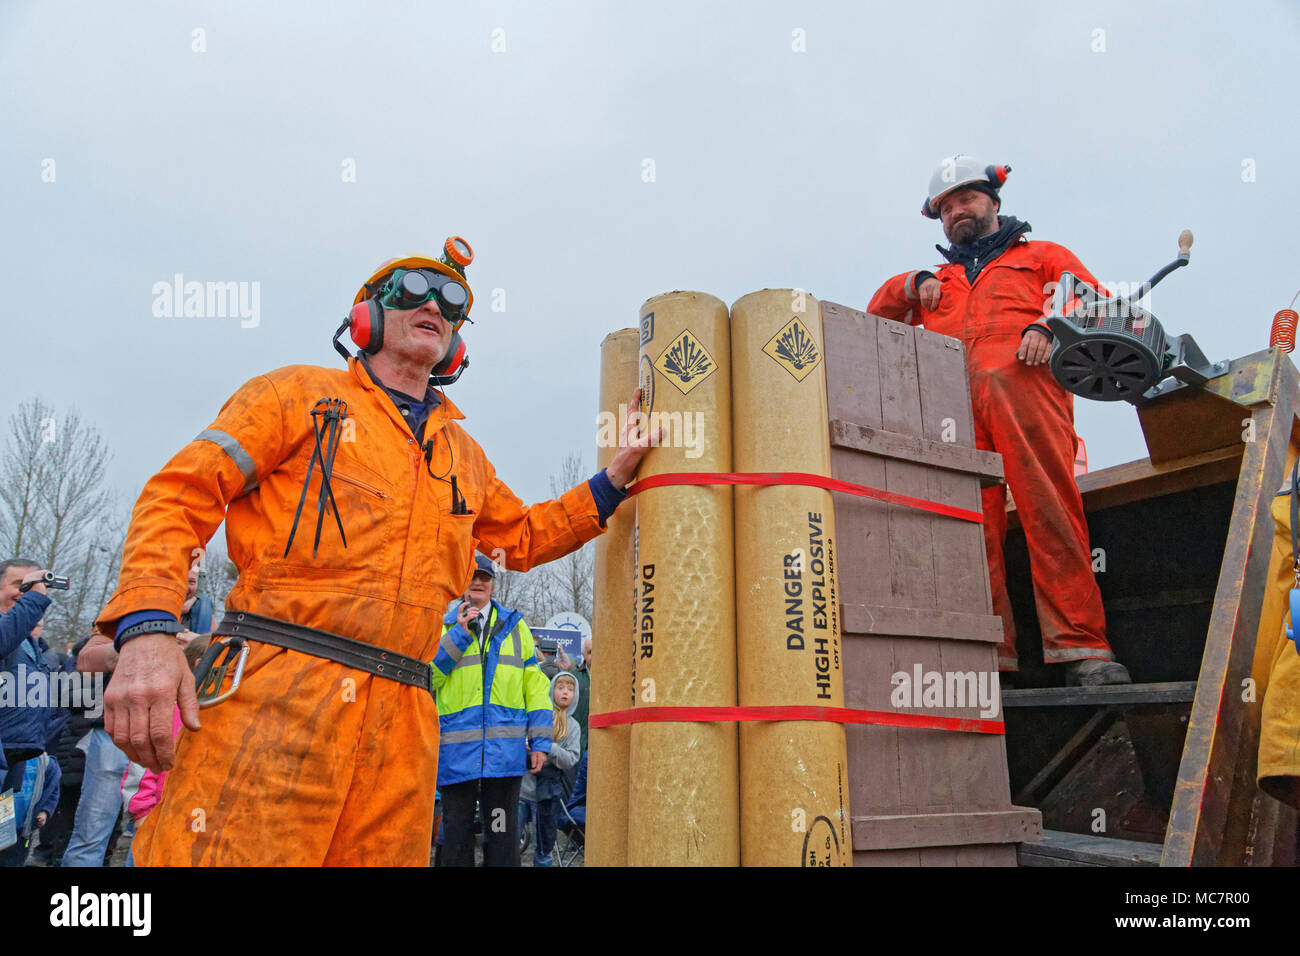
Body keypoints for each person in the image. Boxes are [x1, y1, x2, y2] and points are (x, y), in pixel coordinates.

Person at [96, 246, 655, 866]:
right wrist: (146, 630)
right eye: (412, 291)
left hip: (403, 721)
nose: (435, 307)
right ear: (366, 318)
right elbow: (181, 495)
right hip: (276, 693)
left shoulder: (461, 456)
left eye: (452, 305)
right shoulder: (295, 395)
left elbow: (522, 535)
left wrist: (613, 478)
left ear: (455, 347)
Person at [868, 156, 1130, 687]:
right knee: (970, 536)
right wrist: (906, 284)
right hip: (957, 421)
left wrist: (1048, 326)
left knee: (1050, 515)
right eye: (945, 208)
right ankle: (993, 662)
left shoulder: (1042, 256)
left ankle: (1084, 650)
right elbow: (871, 326)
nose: (956, 212)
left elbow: (1096, 306)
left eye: (965, 198)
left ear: (993, 201)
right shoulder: (934, 284)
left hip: (1030, 403)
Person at [433, 554, 551, 866]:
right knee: (455, 839)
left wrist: (540, 741)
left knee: (501, 839)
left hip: (503, 757)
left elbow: (536, 688)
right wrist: (460, 634)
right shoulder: (441, 626)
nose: (479, 582)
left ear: (493, 583)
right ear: (461, 580)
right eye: (472, 576)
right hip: (456, 756)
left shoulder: (516, 627)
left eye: (485, 576)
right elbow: (428, 677)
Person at [0, 559, 55, 865]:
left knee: (6, 847)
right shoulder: (8, 631)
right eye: (17, 584)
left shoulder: (31, 643)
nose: (24, 591)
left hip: (15, 760)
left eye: (30, 584)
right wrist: (34, 596)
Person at [517, 671, 581, 866]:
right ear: (552, 689)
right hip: (522, 791)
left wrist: (548, 747)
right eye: (560, 687)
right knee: (508, 839)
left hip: (547, 797)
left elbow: (571, 759)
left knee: (544, 848)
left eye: (570, 689)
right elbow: (522, 741)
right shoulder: (537, 716)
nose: (565, 693)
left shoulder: (574, 727)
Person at [558, 636, 591, 754]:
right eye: (591, 652)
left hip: (601, 741)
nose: (595, 655)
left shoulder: (610, 677)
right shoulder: (574, 676)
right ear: (583, 654)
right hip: (577, 742)